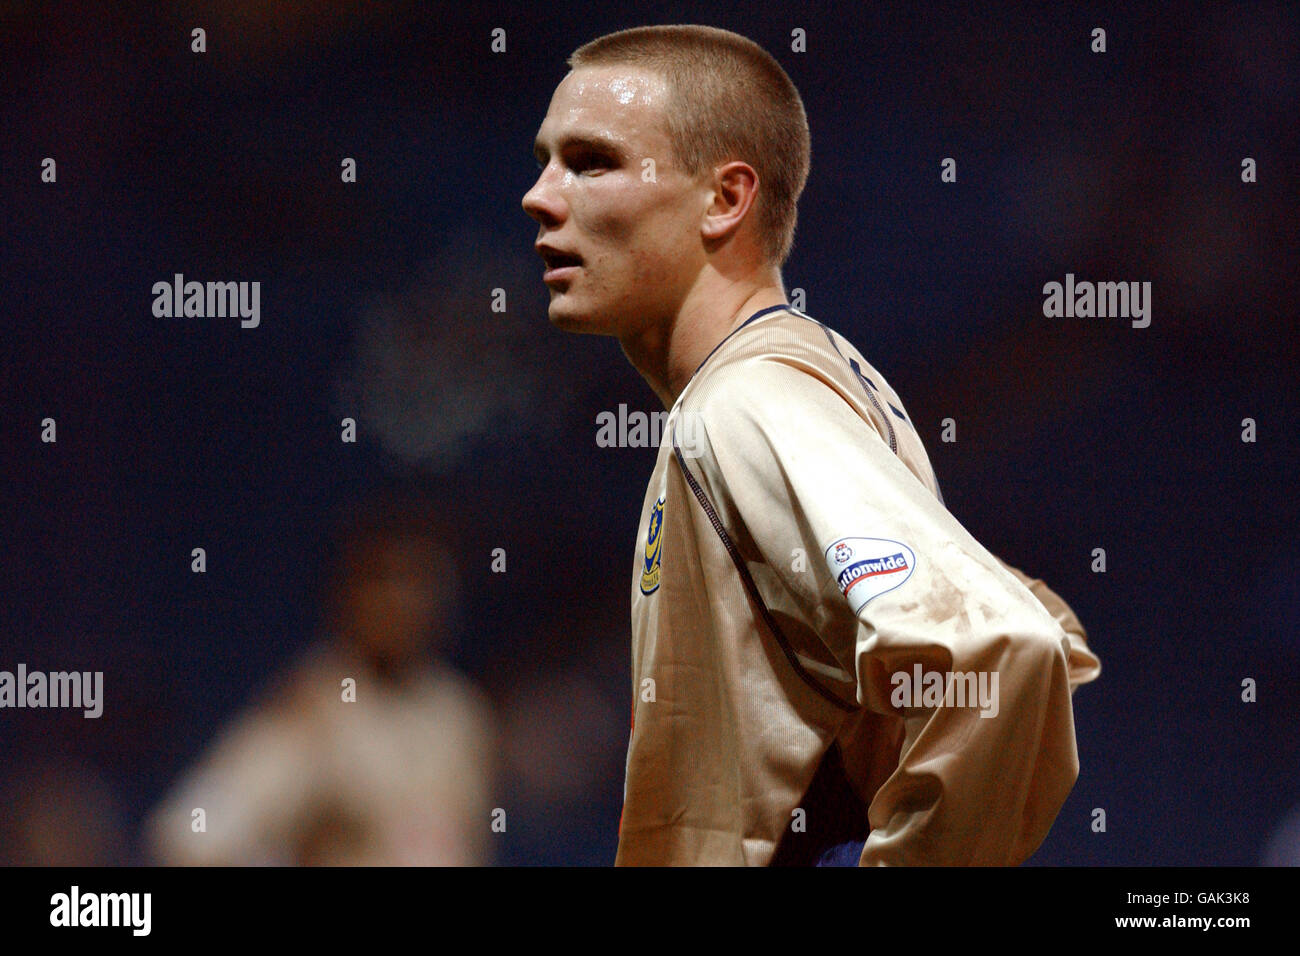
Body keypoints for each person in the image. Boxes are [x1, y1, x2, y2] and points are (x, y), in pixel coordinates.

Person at [522, 24, 1101, 866]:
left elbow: (1005, 647)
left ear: (725, 199)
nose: (540, 195)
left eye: (591, 161)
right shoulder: (808, 373)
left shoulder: (749, 401)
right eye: (544, 159)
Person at [145, 495, 496, 866]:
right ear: (349, 591)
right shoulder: (316, 706)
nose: (401, 600)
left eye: (419, 579)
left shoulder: (462, 713)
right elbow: (189, 835)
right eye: (382, 579)